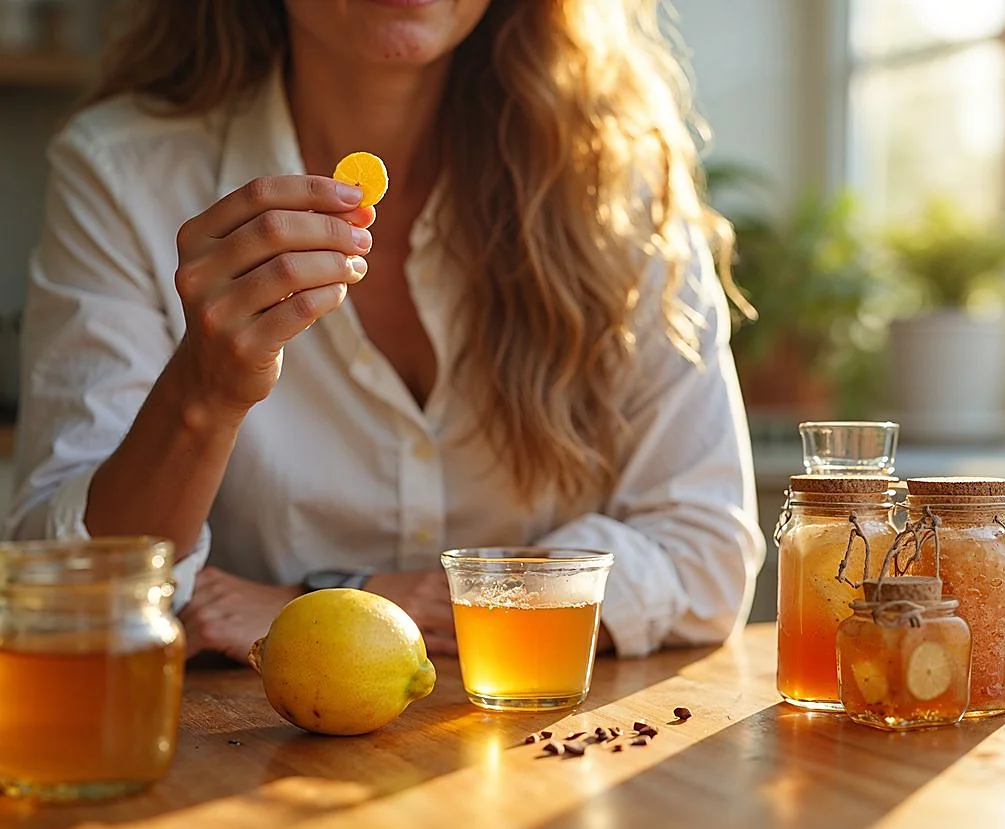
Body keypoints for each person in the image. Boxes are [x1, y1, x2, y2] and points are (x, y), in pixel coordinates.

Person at [8, 0, 765, 663]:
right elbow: (60, 585)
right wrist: (204, 392)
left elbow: (704, 554)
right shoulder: (123, 173)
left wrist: (342, 601)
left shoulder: (615, 180)